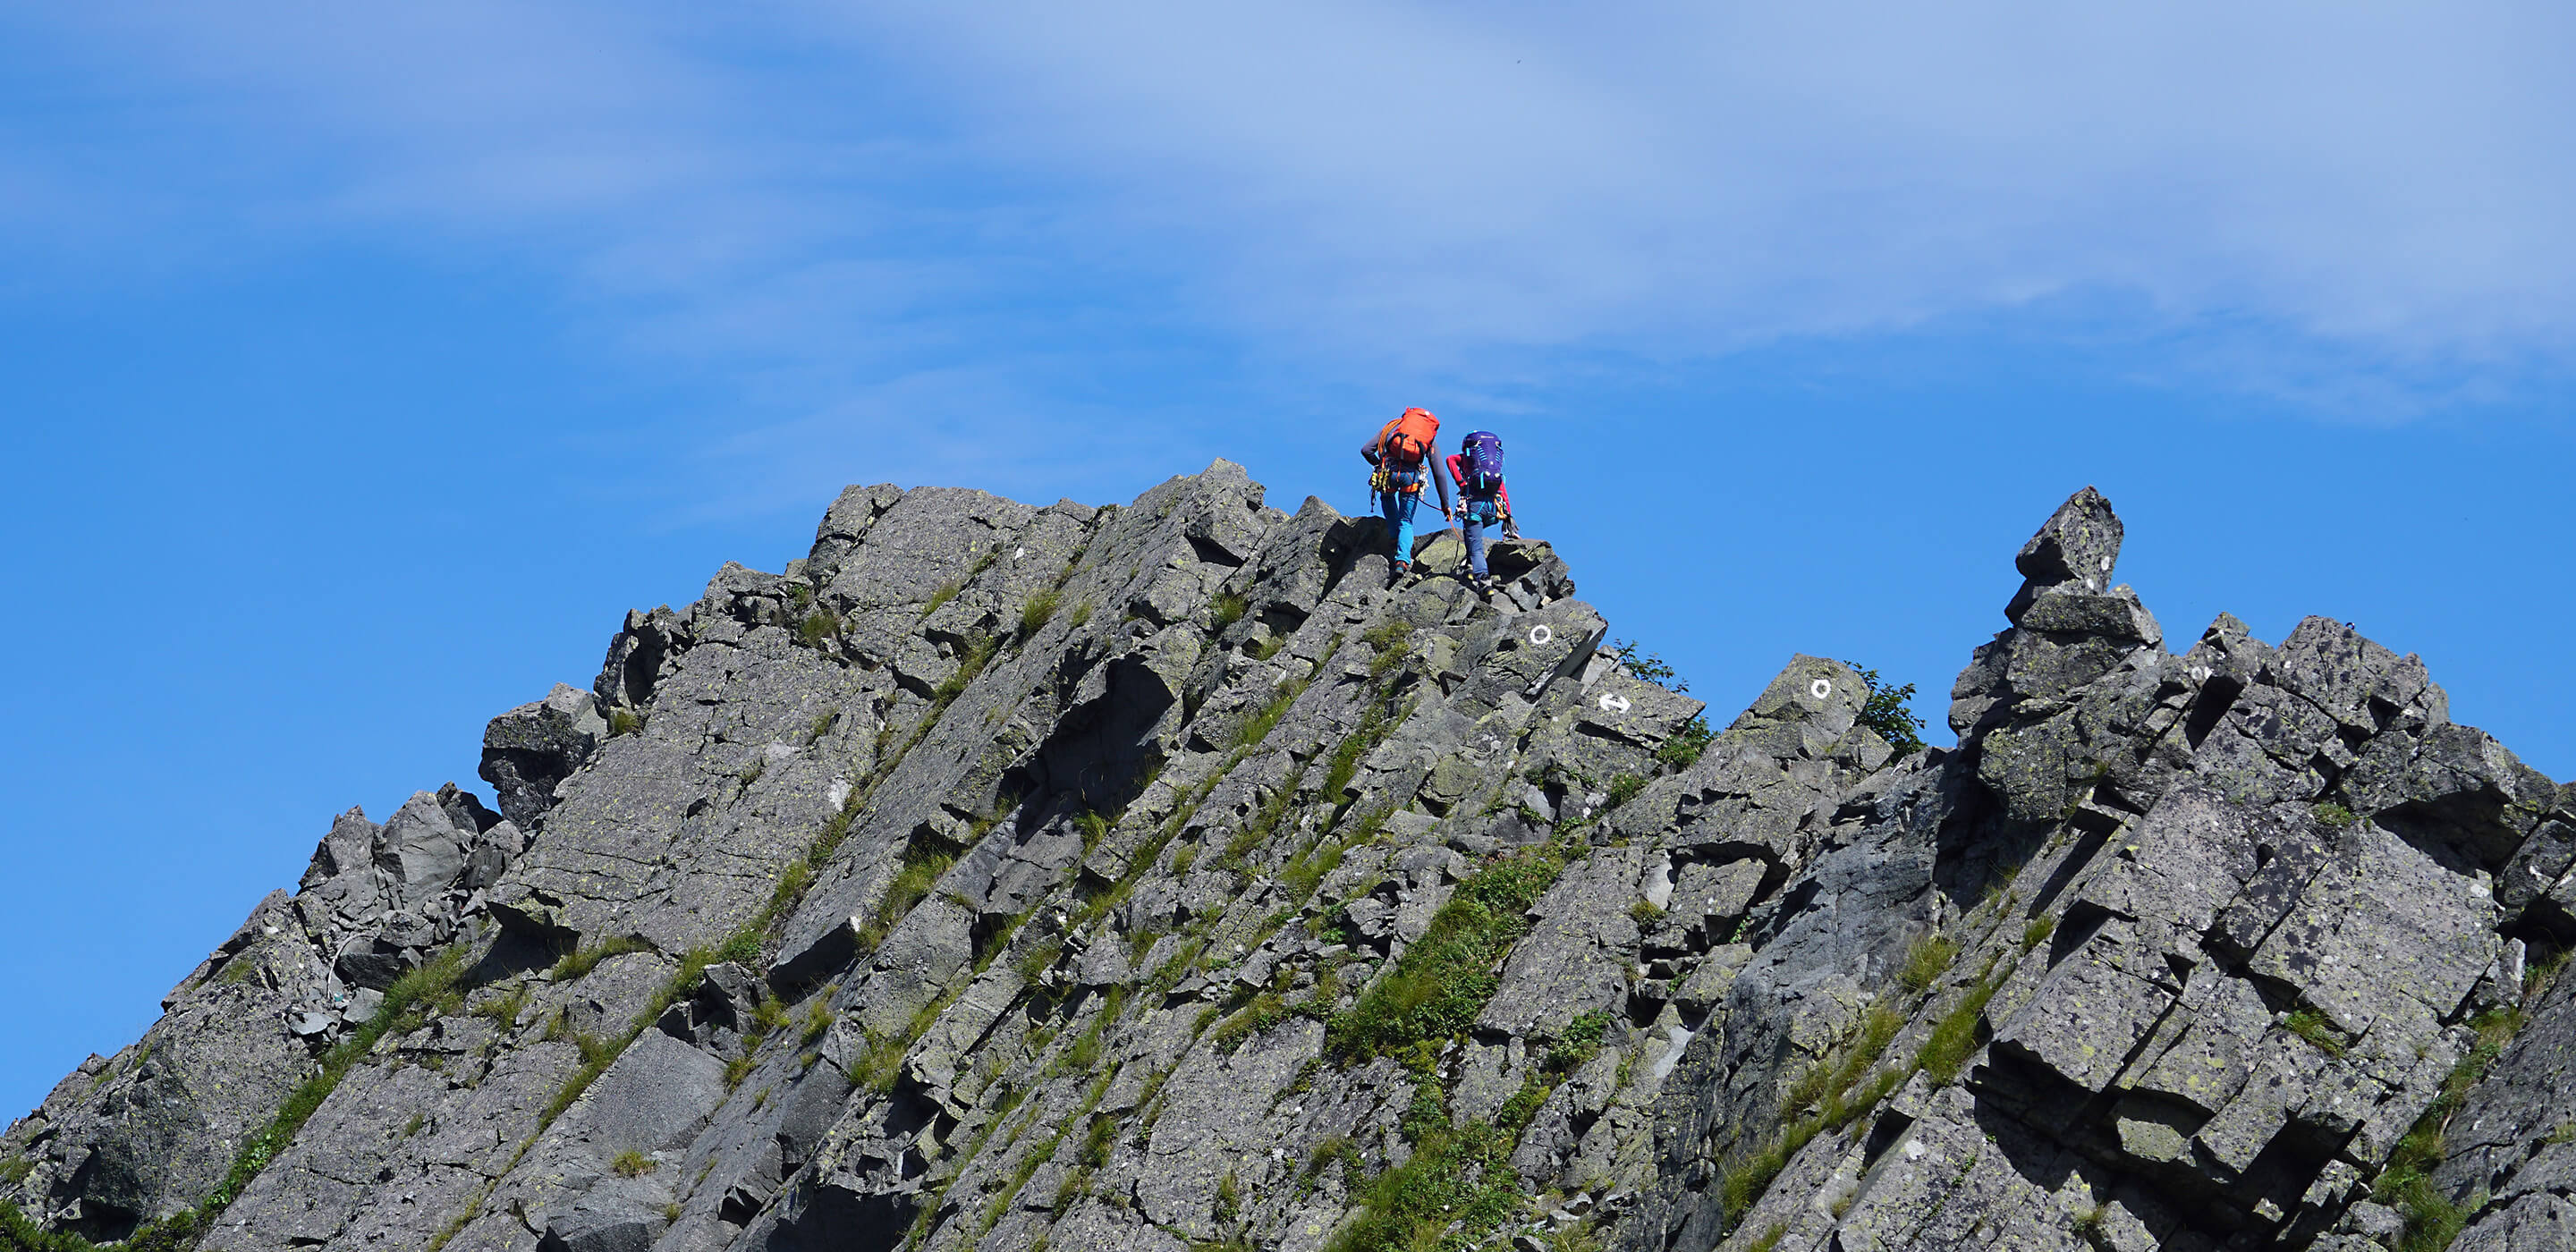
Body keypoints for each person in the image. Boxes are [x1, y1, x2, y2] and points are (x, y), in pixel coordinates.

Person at [1360, 408, 1453, 584]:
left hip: (1388, 473)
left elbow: (1366, 450)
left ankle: (1394, 538)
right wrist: (1445, 504)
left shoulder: (1392, 427)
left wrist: (1379, 465)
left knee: (1387, 498)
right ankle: (1402, 561)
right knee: (1406, 521)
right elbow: (1439, 473)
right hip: (1410, 478)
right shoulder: (1428, 437)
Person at [1445, 429, 1520, 594]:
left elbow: (1450, 459)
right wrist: (1508, 516)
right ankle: (1469, 565)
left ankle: (1483, 580)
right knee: (1471, 535)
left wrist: (1461, 483)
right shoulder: (1494, 469)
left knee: (1476, 545)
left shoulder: (1467, 461)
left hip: (1475, 506)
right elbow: (1503, 491)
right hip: (1492, 509)